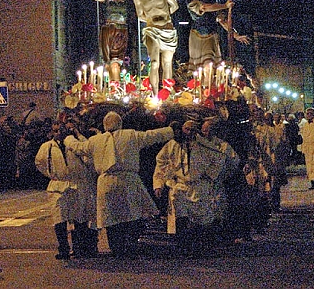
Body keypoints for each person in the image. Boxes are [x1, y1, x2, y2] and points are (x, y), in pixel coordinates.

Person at [64, 111, 174, 257]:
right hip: (129, 180)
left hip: (106, 182)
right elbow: (152, 136)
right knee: (132, 215)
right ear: (120, 123)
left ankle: (116, 248)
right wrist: (171, 130)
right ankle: (130, 245)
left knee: (111, 218)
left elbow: (78, 147)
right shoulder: (131, 135)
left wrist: (69, 138)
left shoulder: (96, 140)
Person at [153, 120, 227, 255]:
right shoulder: (173, 145)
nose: (189, 133)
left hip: (198, 186)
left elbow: (219, 159)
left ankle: (198, 247)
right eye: (186, 129)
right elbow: (161, 161)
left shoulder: (204, 145)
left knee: (200, 218)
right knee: (180, 217)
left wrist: (209, 175)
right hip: (179, 186)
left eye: (192, 130)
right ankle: (182, 246)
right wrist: (160, 183)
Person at [35, 121, 98, 260]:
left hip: (75, 185)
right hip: (58, 186)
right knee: (59, 218)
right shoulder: (48, 147)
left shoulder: (74, 145)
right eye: (55, 131)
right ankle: (63, 248)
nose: (58, 133)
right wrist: (51, 174)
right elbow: (39, 162)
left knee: (78, 217)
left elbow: (89, 155)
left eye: (60, 130)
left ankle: (78, 247)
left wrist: (78, 136)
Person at [123, 0, 179, 96]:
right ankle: (154, 95)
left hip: (167, 30)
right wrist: (152, 17)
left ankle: (167, 94)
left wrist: (163, 14)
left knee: (167, 63)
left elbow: (175, 6)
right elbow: (140, 15)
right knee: (154, 62)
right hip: (151, 30)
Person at [184, 0, 250, 67]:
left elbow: (221, 19)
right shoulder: (190, 1)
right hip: (199, 36)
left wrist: (235, 35)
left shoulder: (209, 0)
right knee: (203, 64)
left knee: (214, 64)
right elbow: (204, 7)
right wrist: (225, 6)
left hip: (212, 35)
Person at [84, 0, 129, 82]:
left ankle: (116, 88)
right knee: (108, 64)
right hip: (107, 31)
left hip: (120, 32)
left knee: (115, 64)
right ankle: (112, 87)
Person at [299, 108, 314, 189]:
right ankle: (312, 183)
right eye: (307, 113)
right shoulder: (305, 125)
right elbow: (304, 137)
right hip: (308, 148)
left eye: (310, 113)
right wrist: (303, 149)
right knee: (309, 166)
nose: (309, 115)